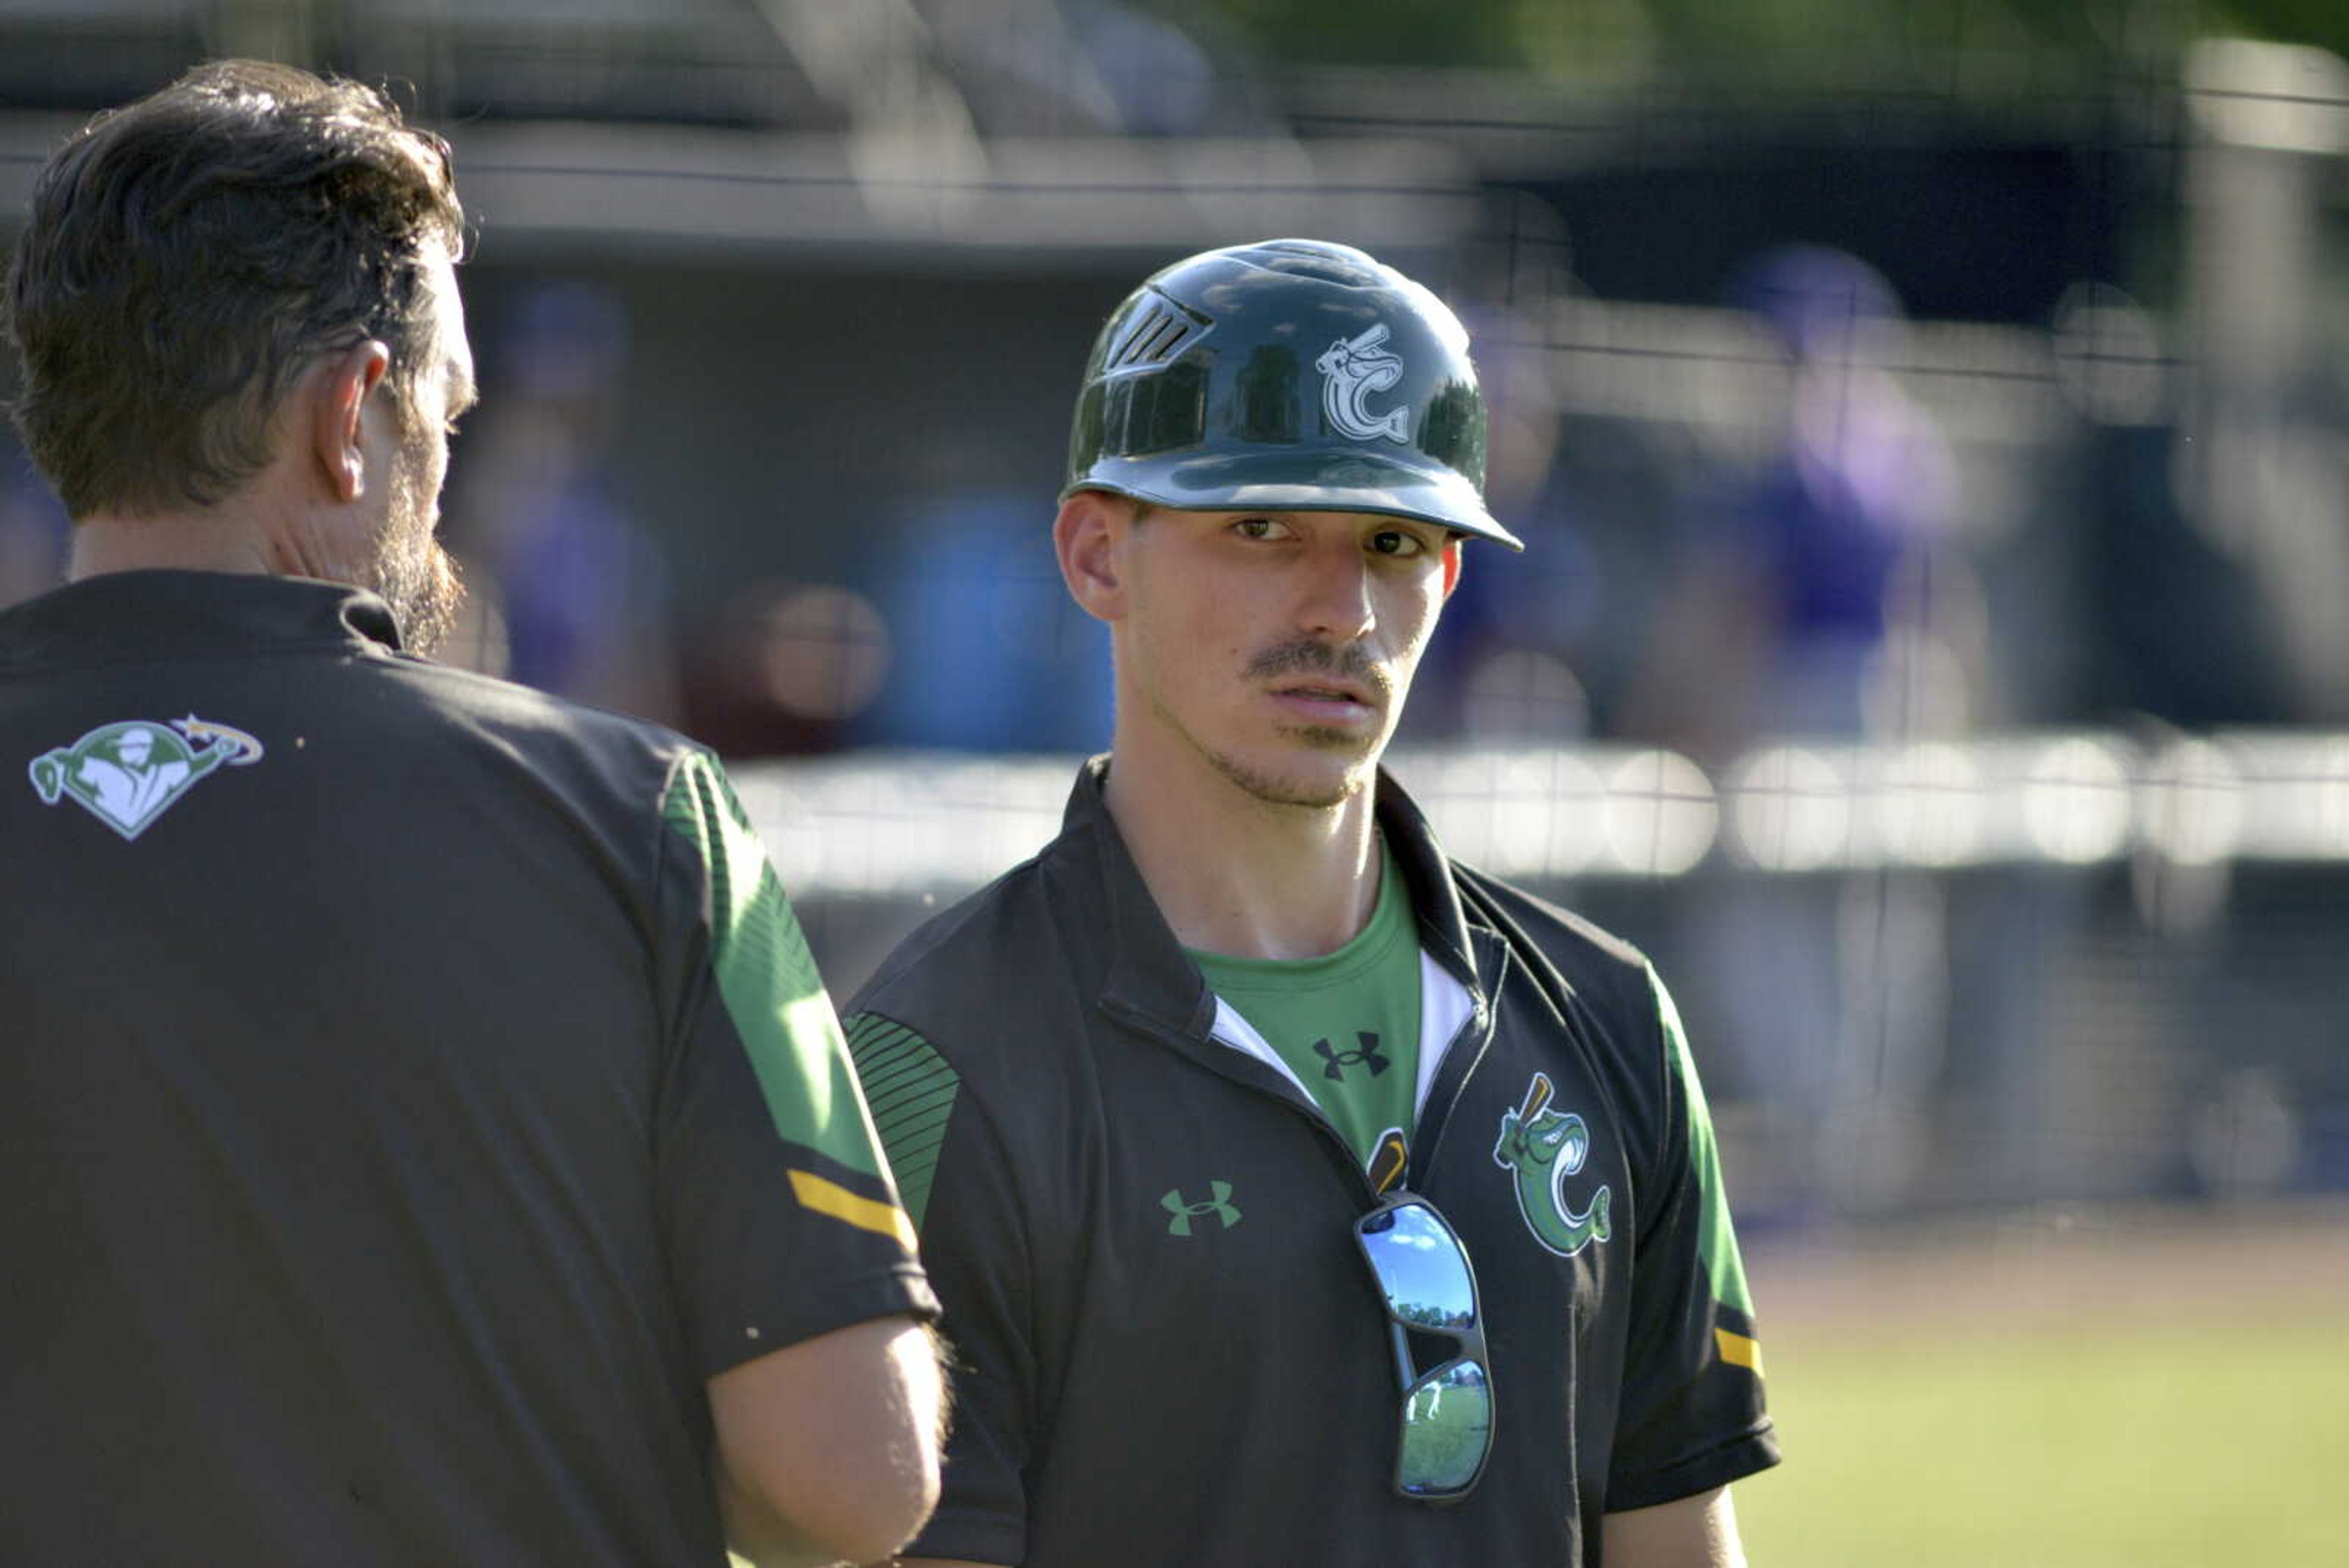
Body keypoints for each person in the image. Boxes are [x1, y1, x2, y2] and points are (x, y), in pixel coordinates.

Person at [1, 61, 941, 1566]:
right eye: (450, 414)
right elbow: (855, 1474)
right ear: (354, 413)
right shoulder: (645, 825)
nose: (447, 470)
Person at [841, 239, 1780, 1567]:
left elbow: (1676, 1537)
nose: (1339, 608)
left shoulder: (1609, 1021)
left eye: (1393, 541)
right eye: (1262, 527)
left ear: (1448, 577)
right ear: (1098, 555)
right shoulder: (934, 1066)